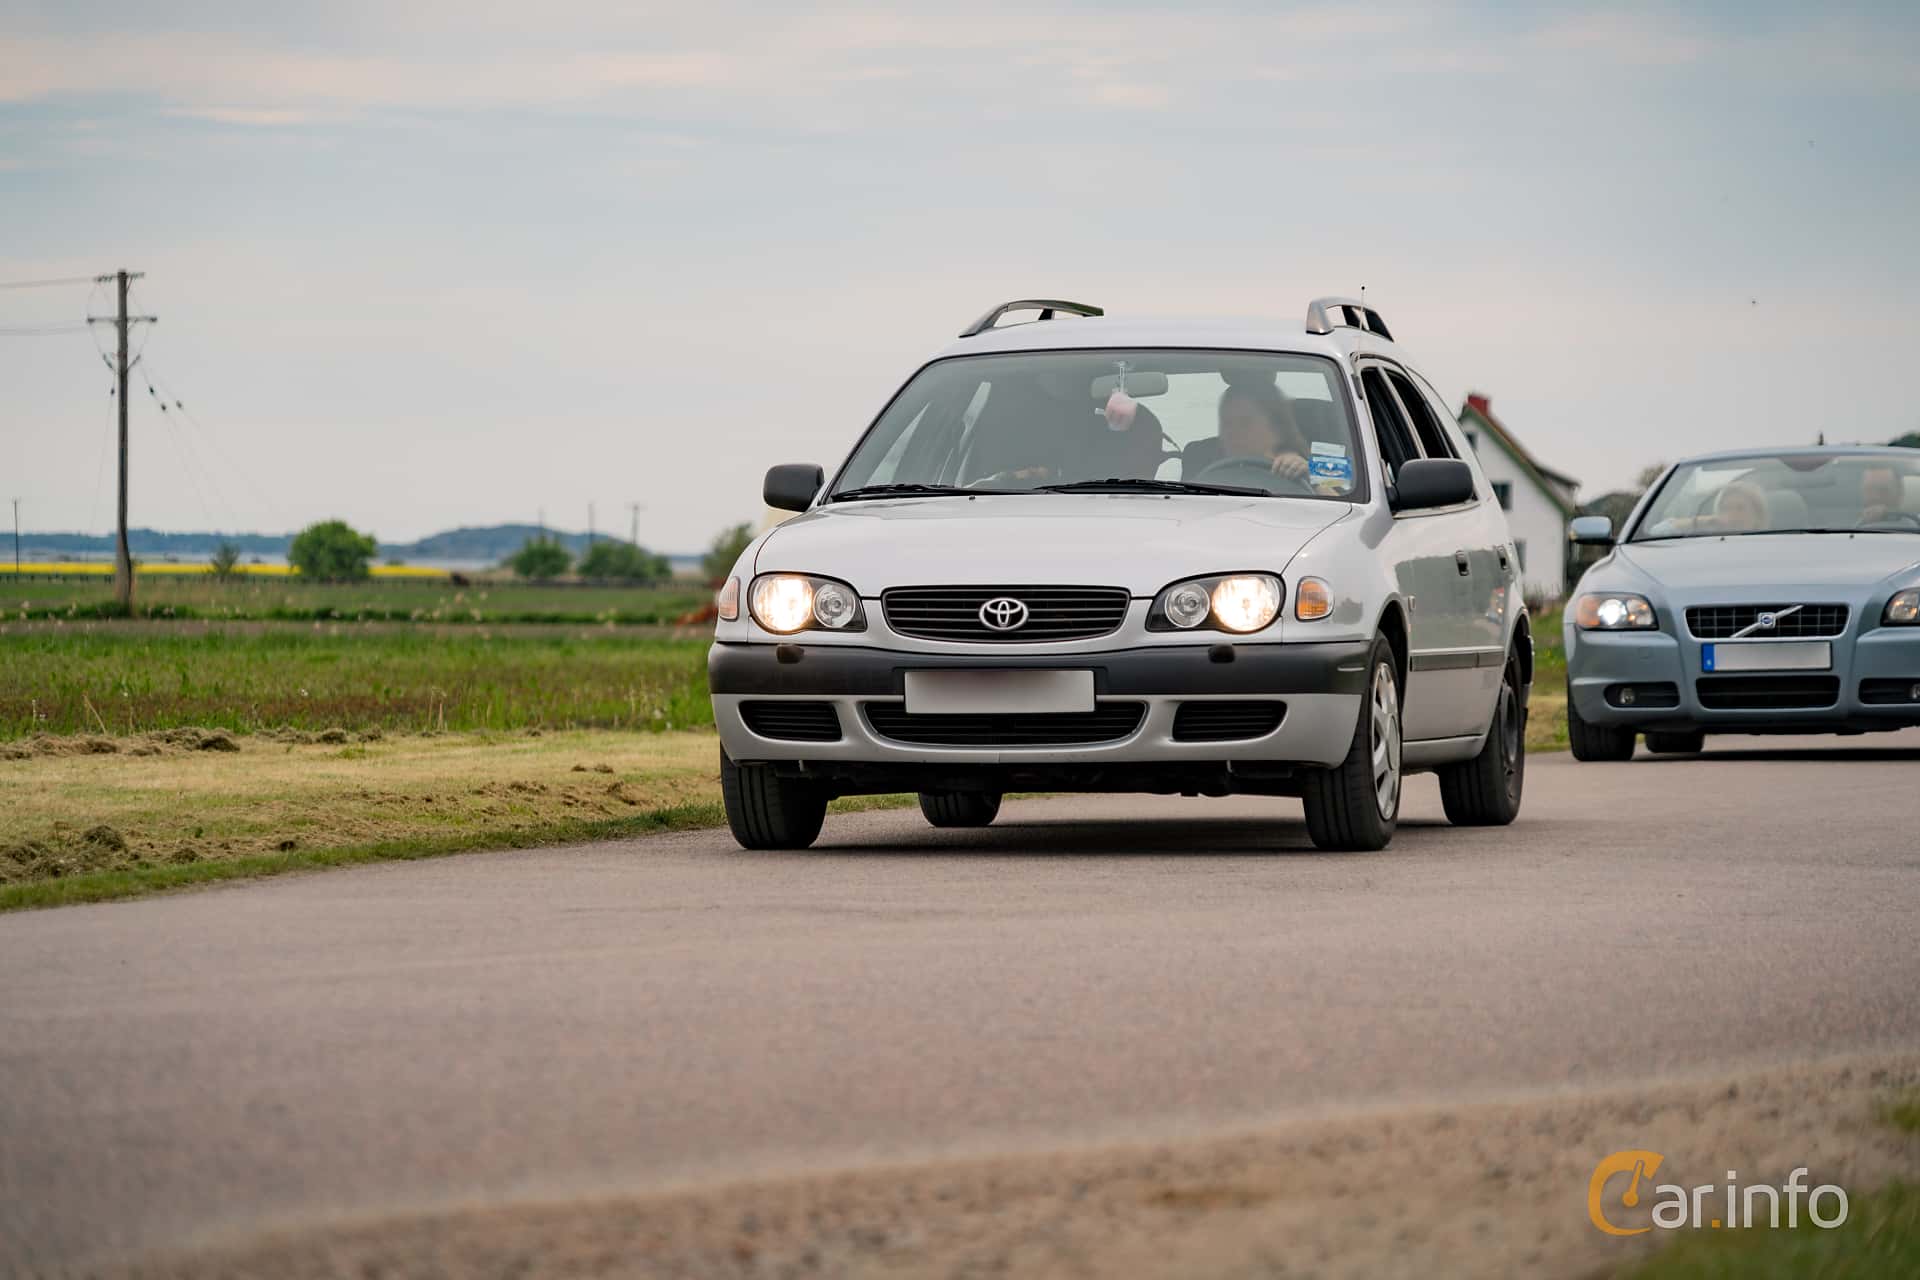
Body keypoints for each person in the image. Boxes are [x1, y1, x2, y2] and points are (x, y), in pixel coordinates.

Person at [1217, 382, 1310, 480]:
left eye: (1245, 423)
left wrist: (1309, 473)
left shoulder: (1305, 464)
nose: (1232, 433)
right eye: (1227, 423)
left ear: (1276, 427)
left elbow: (1321, 476)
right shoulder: (1208, 464)